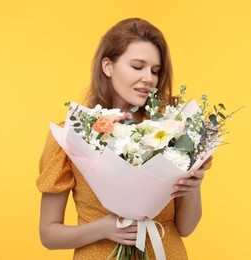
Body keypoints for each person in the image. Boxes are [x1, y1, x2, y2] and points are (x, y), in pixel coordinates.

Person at [37, 18, 213, 259]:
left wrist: (193, 187)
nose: (149, 78)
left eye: (155, 70)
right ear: (108, 66)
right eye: (137, 66)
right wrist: (104, 229)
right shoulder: (71, 135)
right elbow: (48, 234)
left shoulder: (173, 130)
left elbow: (186, 227)